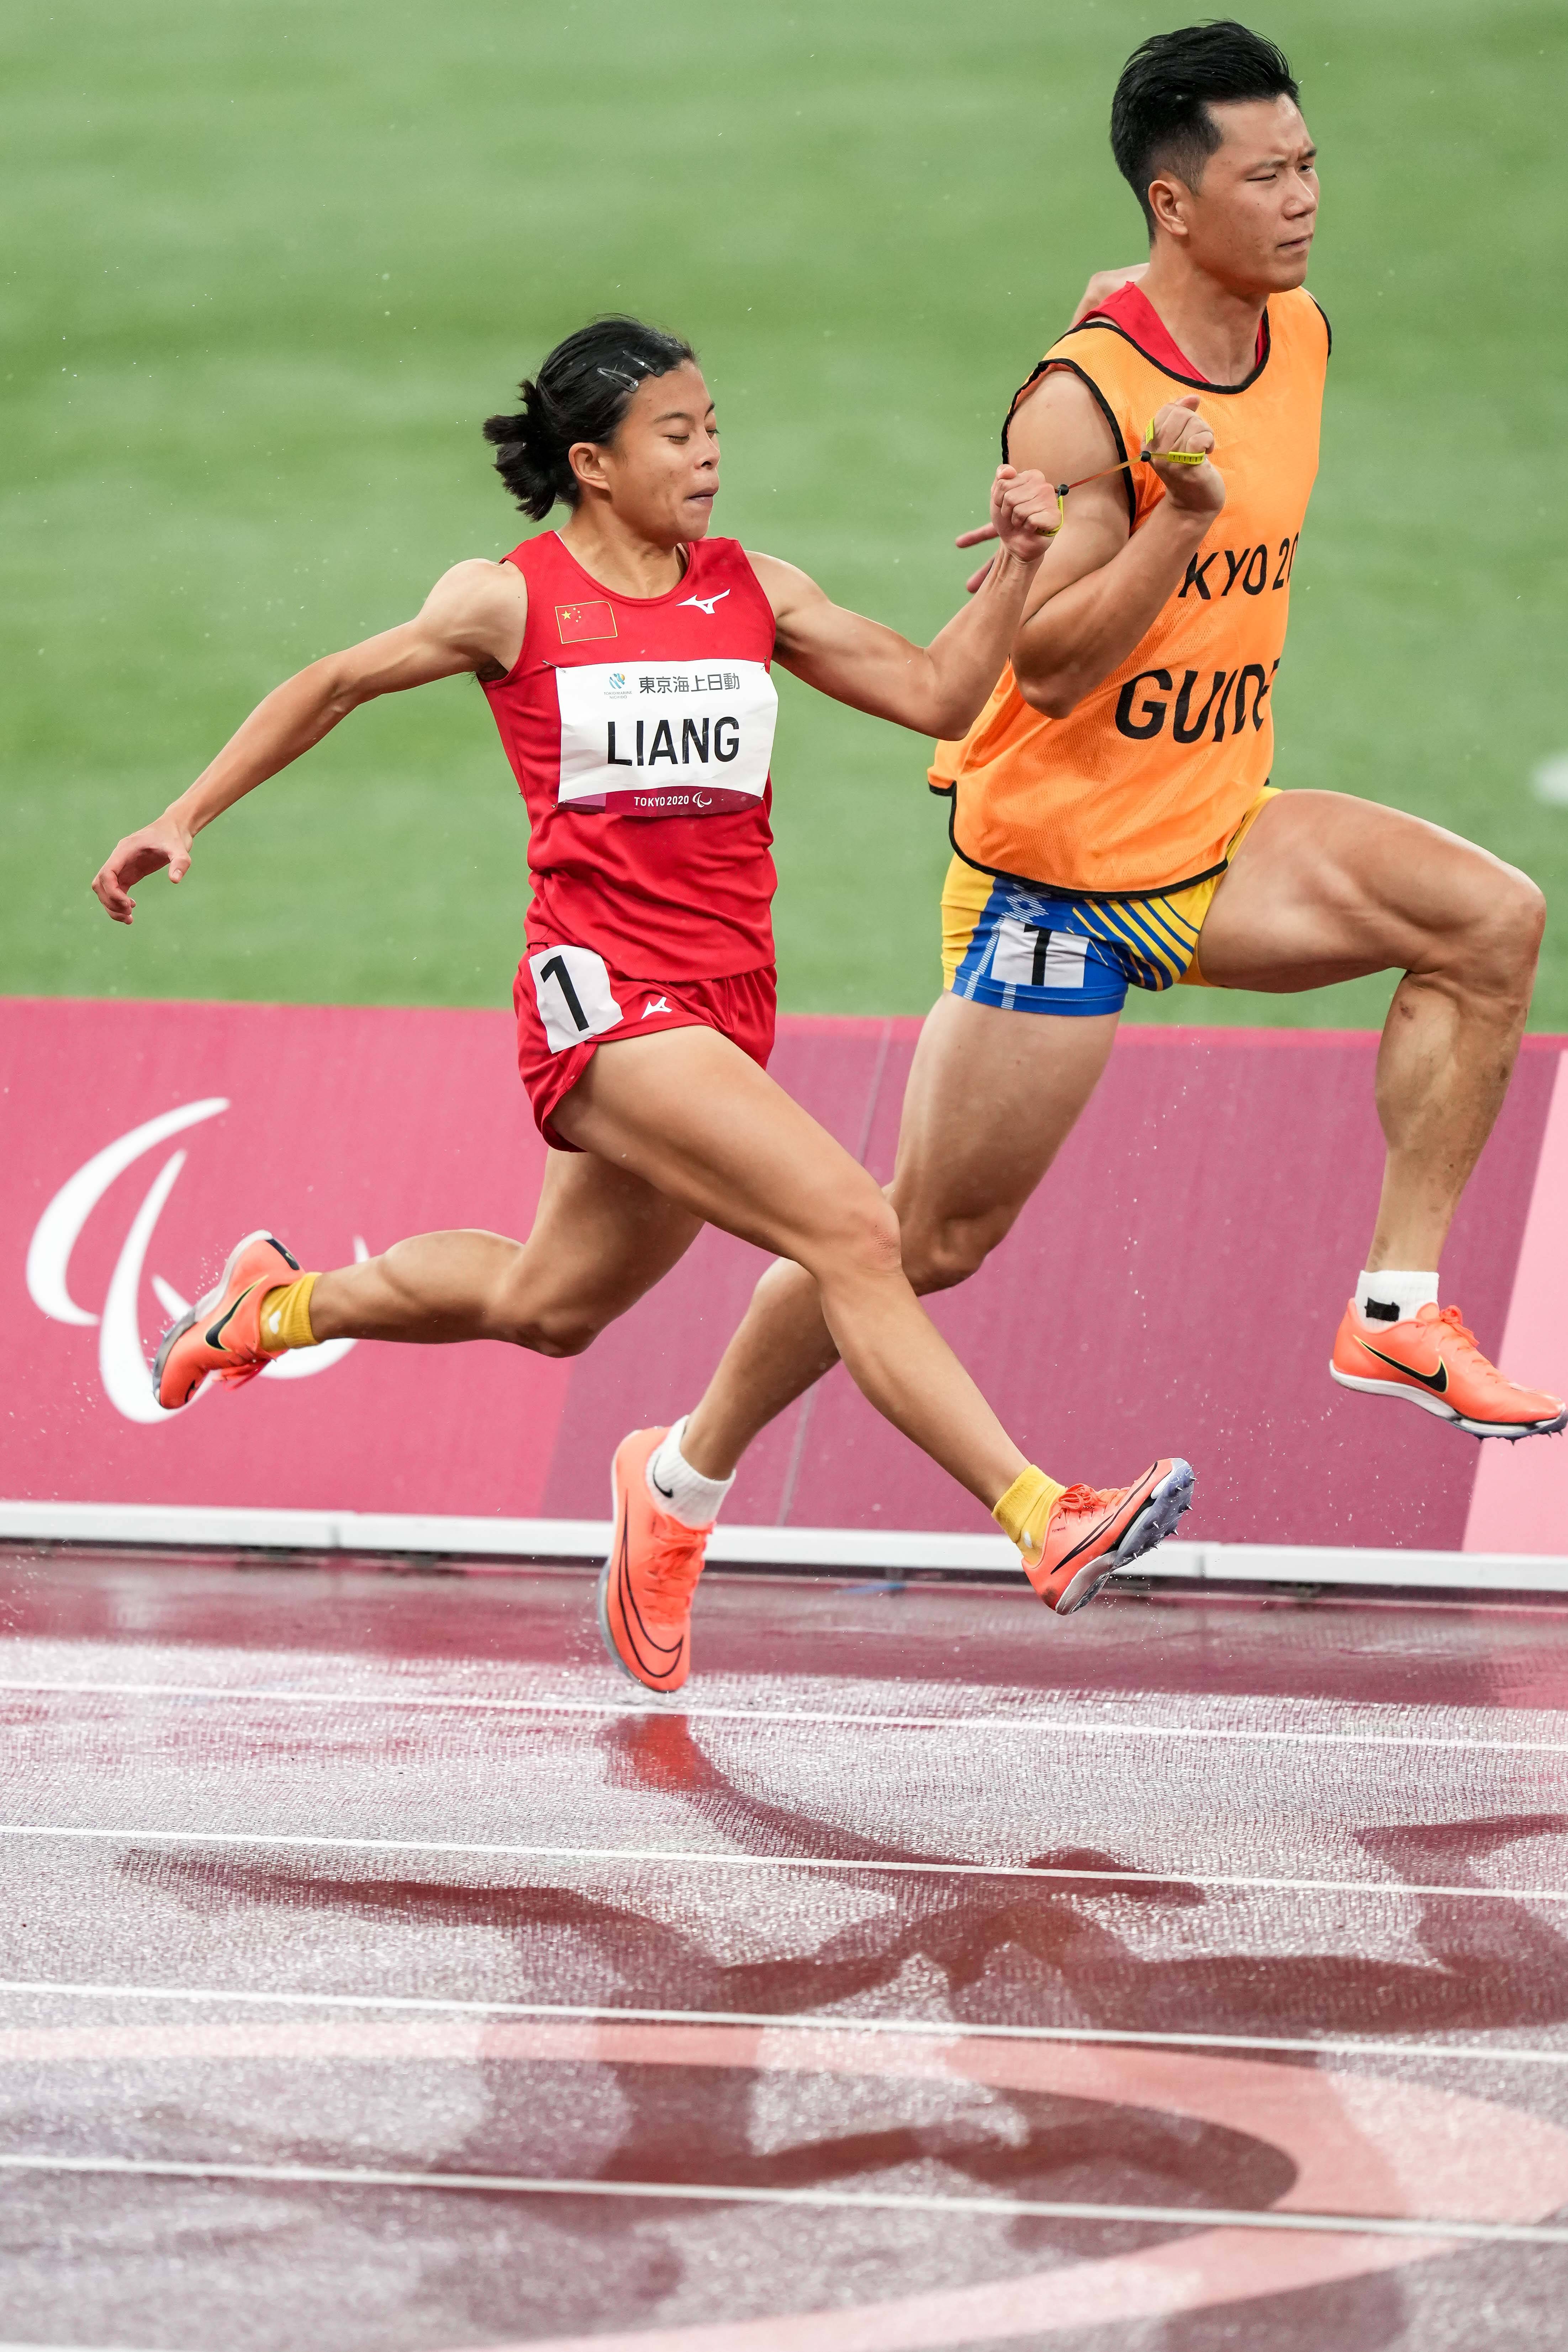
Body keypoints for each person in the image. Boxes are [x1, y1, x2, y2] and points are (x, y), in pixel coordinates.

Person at [598, 20, 1563, 1686]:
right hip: (1058, 883)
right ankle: (675, 1480)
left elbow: (1151, 326)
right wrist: (1171, 512)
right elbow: (1043, 667)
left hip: (1214, 833)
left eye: (1310, 164)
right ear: (1176, 202)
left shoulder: (1293, 331)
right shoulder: (1079, 407)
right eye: (1266, 176)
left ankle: (1395, 1311)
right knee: (918, 1244)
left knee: (1487, 918)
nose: (1305, 199)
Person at [90, 315, 1198, 1693]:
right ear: (592, 464)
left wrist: (1025, 561)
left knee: (548, 1304)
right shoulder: (515, 599)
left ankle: (271, 1306)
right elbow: (334, 684)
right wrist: (183, 814)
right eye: (678, 435)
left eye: (715, 429)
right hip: (599, 1001)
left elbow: (936, 693)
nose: (710, 457)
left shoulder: (753, 590)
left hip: (725, 1002)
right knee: (858, 1227)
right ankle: (1042, 1517)